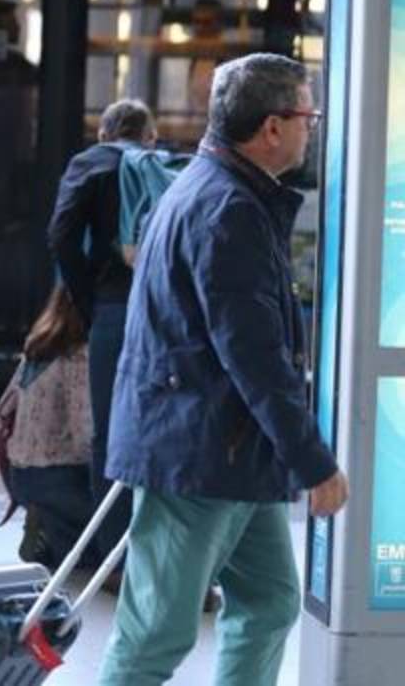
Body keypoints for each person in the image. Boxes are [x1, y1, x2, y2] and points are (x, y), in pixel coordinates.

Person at [97, 54, 348, 685]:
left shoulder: (213, 188)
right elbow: (254, 354)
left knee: (268, 602)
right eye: (306, 115)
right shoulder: (226, 209)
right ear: (271, 127)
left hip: (230, 451)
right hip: (198, 452)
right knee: (157, 631)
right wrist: (312, 460)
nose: (310, 128)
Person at [45, 99, 155, 576]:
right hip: (166, 313)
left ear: (105, 133)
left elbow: (62, 236)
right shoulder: (161, 165)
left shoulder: (91, 164)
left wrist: (86, 298)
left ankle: (116, 560)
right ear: (148, 136)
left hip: (113, 307)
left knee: (111, 435)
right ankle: (166, 558)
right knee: (163, 432)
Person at [0, 284, 93, 569]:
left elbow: (1, 414)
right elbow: (84, 434)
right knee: (104, 538)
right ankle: (49, 526)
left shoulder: (37, 347)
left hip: (18, 476)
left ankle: (46, 528)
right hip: (57, 478)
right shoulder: (79, 356)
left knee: (67, 542)